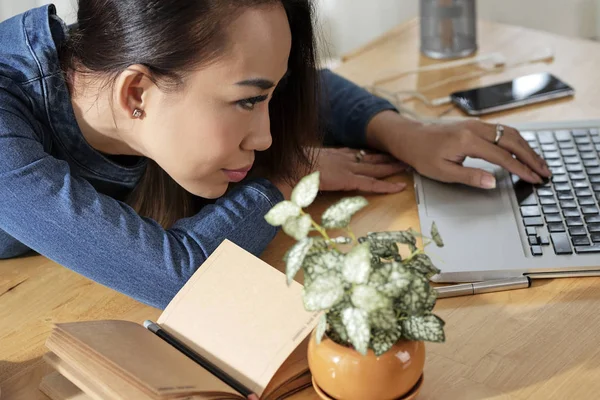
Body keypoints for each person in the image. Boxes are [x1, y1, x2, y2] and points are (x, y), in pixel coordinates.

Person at [0, 1, 550, 312]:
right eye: (246, 102)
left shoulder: (104, 61)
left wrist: (403, 131)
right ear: (137, 94)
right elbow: (180, 277)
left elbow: (296, 83)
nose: (263, 136)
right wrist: (283, 178)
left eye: (263, 98)